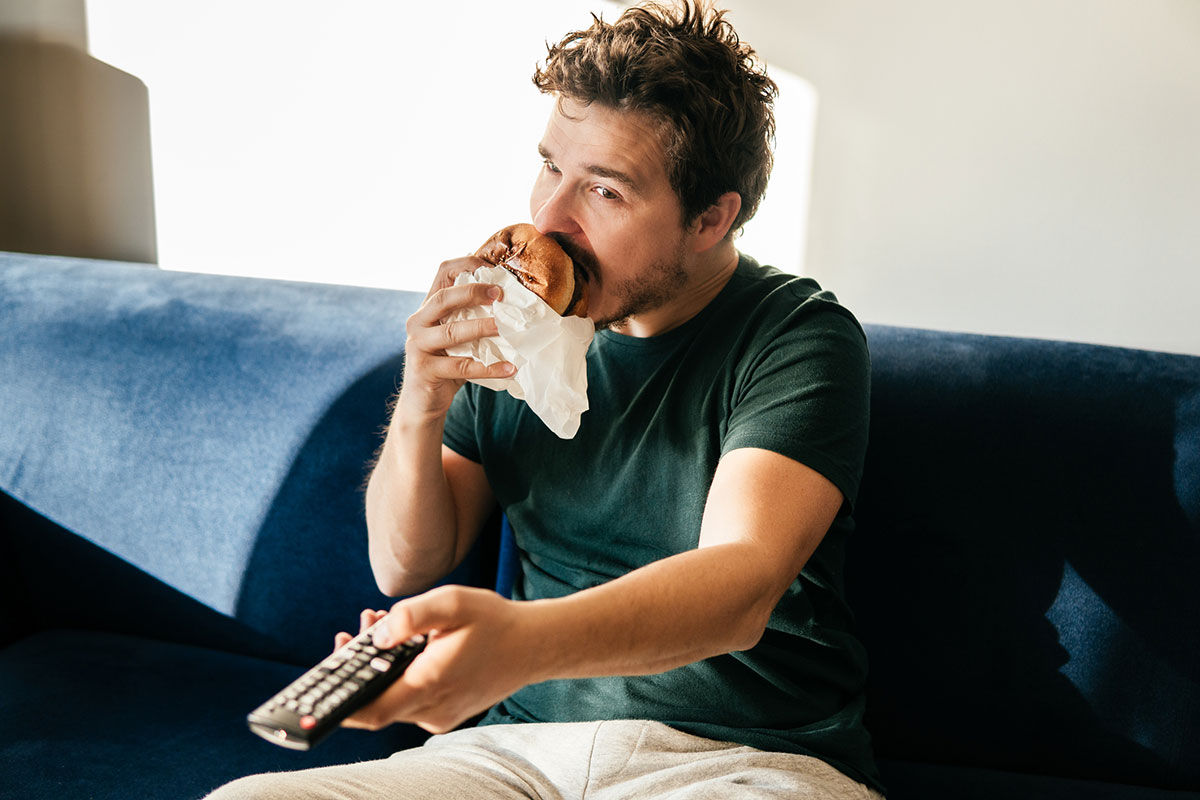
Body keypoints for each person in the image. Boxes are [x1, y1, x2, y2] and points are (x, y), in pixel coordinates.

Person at [210, 2, 884, 797]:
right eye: (551, 166)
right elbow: (404, 565)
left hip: (741, 759)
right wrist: (423, 396)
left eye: (605, 190)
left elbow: (738, 588)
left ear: (711, 218)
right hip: (516, 751)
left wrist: (515, 643)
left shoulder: (798, 335)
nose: (550, 216)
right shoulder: (523, 324)